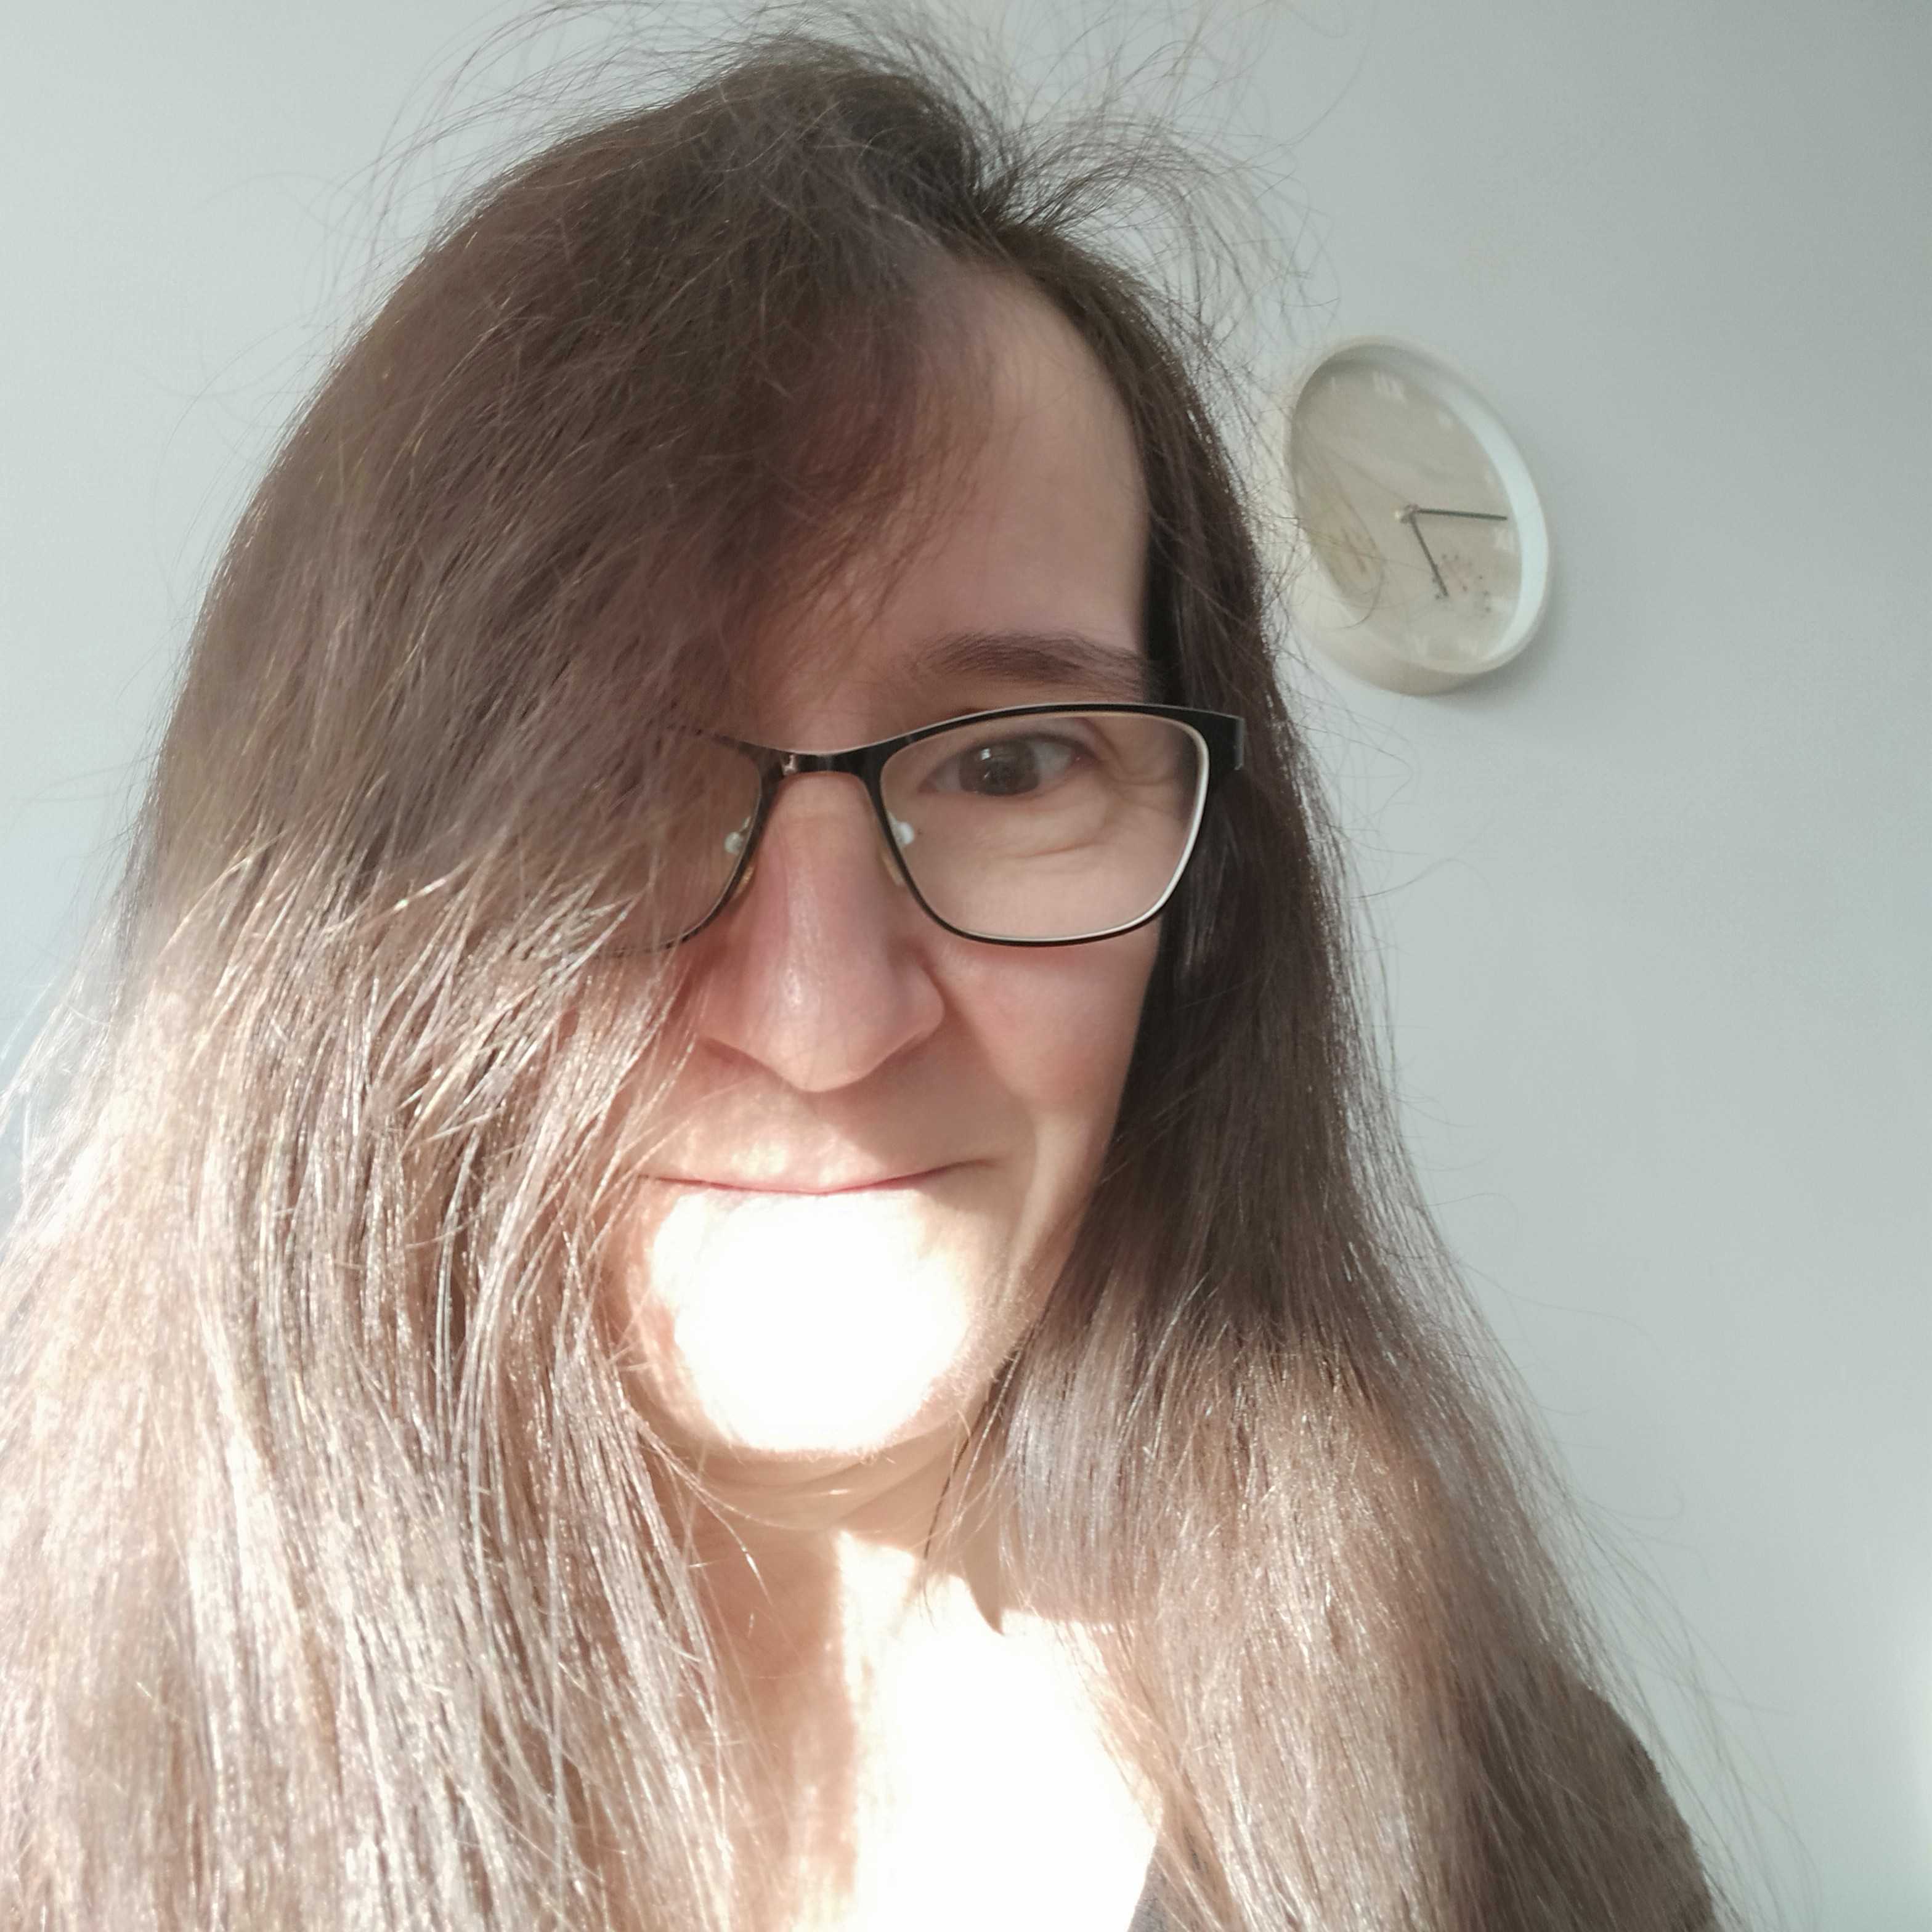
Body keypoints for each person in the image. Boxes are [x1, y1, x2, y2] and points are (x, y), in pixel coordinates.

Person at [0, 20, 1728, 1932]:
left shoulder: (1500, 1829)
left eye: (1013, 766)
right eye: (618, 784)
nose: (827, 1022)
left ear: (1209, 905)